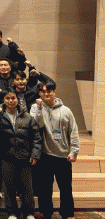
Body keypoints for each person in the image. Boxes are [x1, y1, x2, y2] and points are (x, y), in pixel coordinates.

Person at [30, 80, 79, 219]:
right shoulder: (35, 107)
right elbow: (36, 125)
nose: (46, 94)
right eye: (43, 91)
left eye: (49, 91)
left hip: (64, 156)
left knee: (66, 188)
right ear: (39, 93)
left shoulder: (66, 110)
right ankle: (47, 213)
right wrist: (40, 108)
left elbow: (73, 132)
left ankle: (67, 214)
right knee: (45, 188)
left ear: (54, 91)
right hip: (45, 155)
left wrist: (74, 152)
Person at [0, 88, 41, 219]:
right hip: (7, 156)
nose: (11, 101)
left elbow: (36, 137)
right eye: (7, 98)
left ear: (17, 99)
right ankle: (12, 212)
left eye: (13, 98)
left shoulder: (27, 116)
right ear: (3, 100)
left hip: (25, 156)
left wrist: (35, 154)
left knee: (27, 187)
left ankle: (29, 213)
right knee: (9, 186)